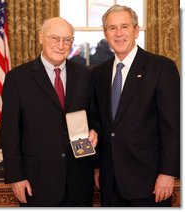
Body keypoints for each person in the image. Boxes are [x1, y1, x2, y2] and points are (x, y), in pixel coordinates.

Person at [0, 17, 98, 207]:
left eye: (67, 40)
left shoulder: (85, 75)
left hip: (78, 181)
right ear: (41, 38)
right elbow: (9, 133)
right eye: (55, 38)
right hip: (37, 183)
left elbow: (94, 116)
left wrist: (95, 131)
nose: (61, 45)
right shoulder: (17, 79)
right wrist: (16, 177)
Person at [91, 5, 180, 207]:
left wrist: (168, 173)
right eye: (112, 28)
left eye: (125, 26)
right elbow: (99, 122)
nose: (119, 33)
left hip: (148, 182)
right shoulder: (99, 73)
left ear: (136, 30)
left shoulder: (161, 68)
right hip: (109, 180)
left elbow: (173, 126)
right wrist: (97, 166)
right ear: (106, 33)